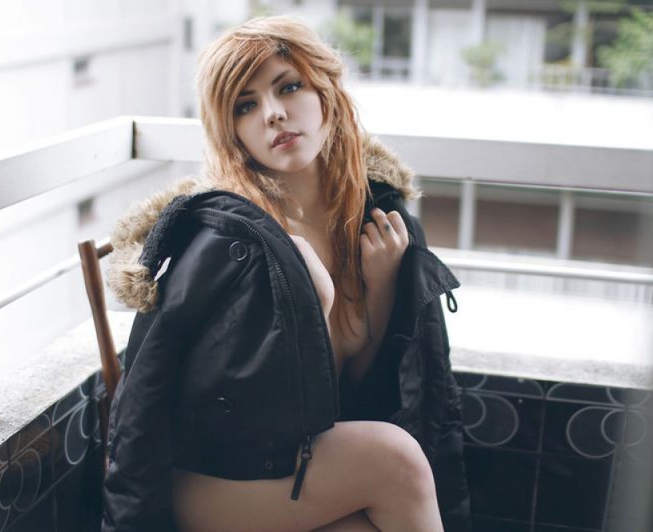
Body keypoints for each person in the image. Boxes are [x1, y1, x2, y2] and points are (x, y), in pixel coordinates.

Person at [102, 15, 469, 532]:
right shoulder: (228, 243)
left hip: (299, 466)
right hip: (214, 477)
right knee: (397, 459)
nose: (273, 113)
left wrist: (383, 286)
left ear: (326, 94)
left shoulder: (372, 220)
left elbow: (364, 395)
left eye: (289, 87)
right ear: (232, 134)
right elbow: (158, 396)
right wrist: (304, 298)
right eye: (245, 106)